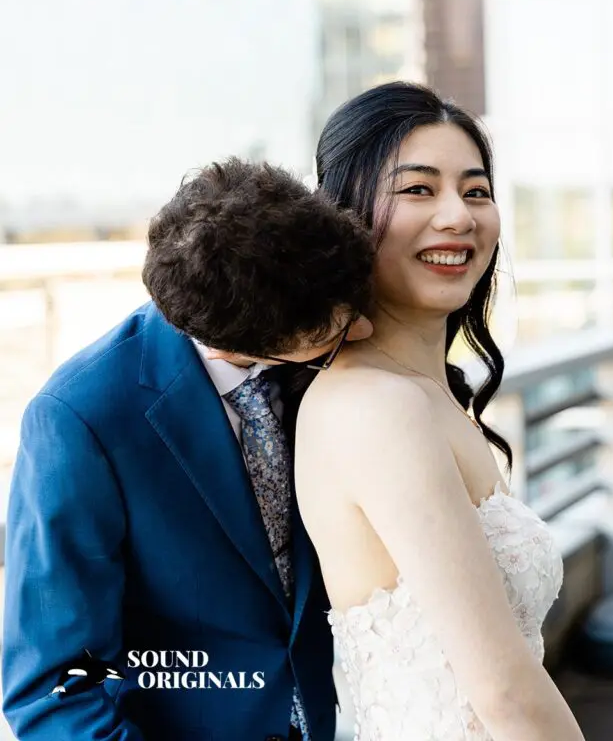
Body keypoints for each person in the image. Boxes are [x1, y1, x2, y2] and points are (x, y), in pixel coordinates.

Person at [2, 158, 375, 741]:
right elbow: (52, 690)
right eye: (330, 331)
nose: (362, 330)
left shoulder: (311, 342)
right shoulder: (79, 419)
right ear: (233, 346)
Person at [294, 81, 586, 741]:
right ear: (344, 215)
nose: (458, 216)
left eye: (476, 191)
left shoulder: (426, 393)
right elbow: (504, 694)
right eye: (418, 189)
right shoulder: (375, 406)